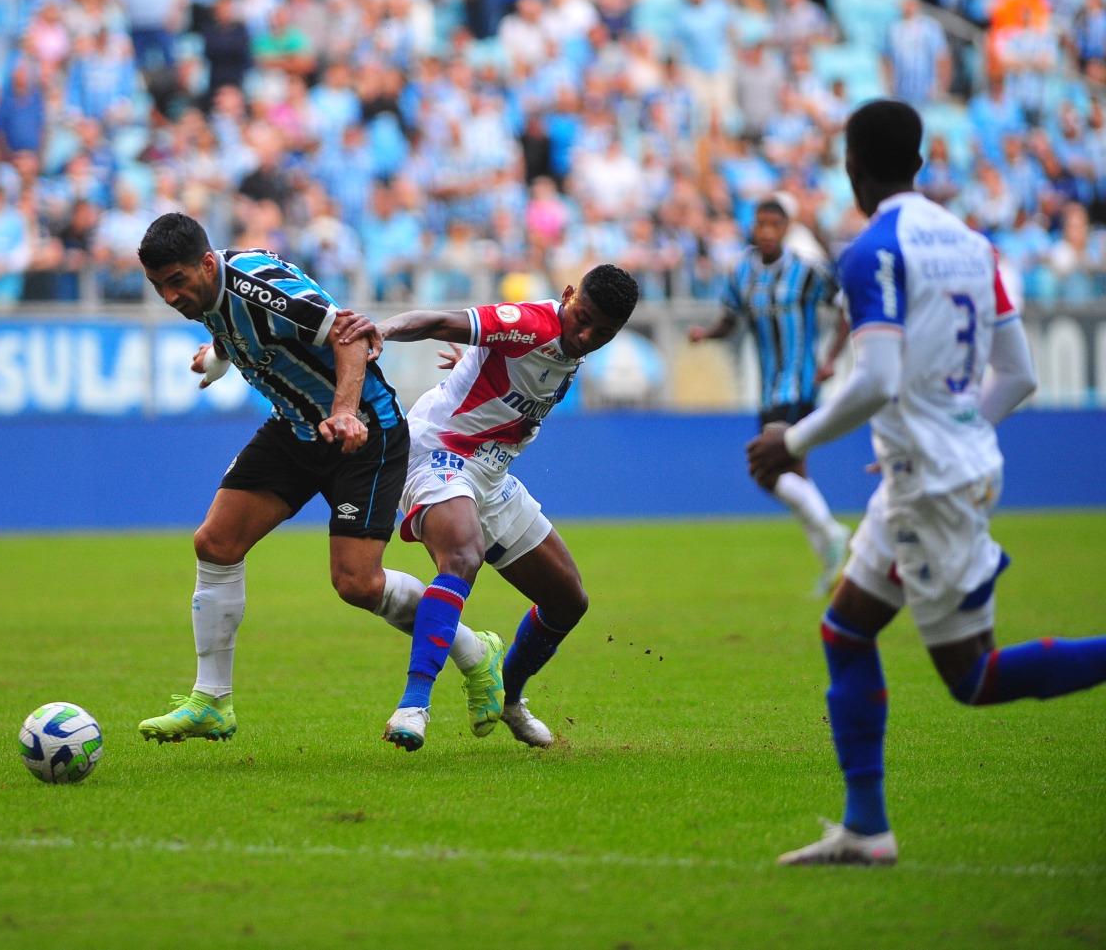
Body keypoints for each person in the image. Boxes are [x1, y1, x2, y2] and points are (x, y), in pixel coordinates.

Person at [747, 99, 1106, 866]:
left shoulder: (872, 248)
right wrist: (947, 429)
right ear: (918, 160)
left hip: (932, 486)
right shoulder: (972, 243)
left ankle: (869, 827)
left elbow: (874, 376)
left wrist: (792, 439)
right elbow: (1018, 375)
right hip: (934, 471)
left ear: (853, 167)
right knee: (844, 632)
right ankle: (866, 829)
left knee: (972, 675)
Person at [133, 212, 504, 744]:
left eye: (176, 282)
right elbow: (237, 326)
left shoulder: (260, 287)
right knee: (216, 542)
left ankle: (476, 652)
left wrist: (346, 409)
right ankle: (211, 701)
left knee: (357, 583)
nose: (170, 297)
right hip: (297, 429)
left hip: (365, 431)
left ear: (208, 264)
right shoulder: (210, 294)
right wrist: (217, 355)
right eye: (158, 287)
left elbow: (347, 335)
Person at [354, 265, 638, 750]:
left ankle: (509, 698)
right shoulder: (530, 322)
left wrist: (477, 361)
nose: (586, 335)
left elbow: (509, 373)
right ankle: (414, 703)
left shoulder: (571, 351)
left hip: (491, 472)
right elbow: (440, 321)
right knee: (462, 557)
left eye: (602, 333)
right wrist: (382, 330)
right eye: (582, 317)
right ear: (568, 295)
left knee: (568, 600)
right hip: (437, 453)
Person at [689, 198, 851, 598]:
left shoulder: (807, 272)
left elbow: (847, 309)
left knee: (766, 469)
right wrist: (706, 334)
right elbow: (730, 322)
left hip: (797, 384)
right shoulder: (741, 272)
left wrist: (830, 359)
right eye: (760, 224)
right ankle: (835, 567)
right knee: (793, 475)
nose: (765, 232)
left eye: (773, 225)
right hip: (768, 389)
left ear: (786, 228)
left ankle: (833, 534)